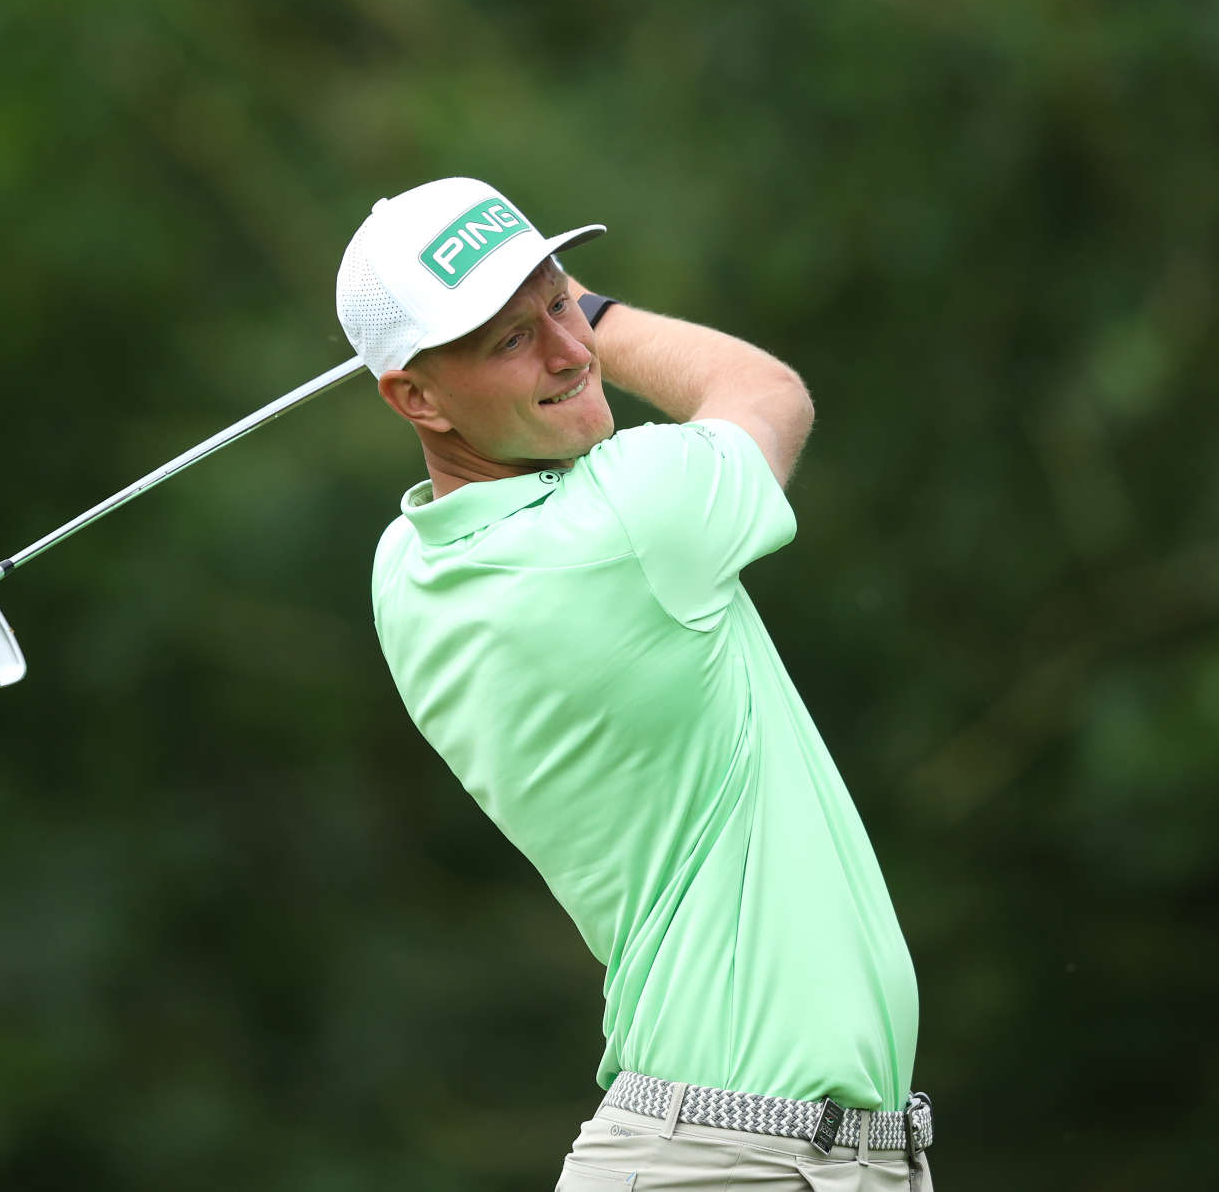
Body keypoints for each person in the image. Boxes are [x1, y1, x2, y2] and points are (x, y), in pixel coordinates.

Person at [338, 177, 933, 1191]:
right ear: (415, 397)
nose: (571, 351)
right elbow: (767, 393)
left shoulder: (409, 570)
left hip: (750, 1154)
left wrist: (529, 324)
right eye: (509, 339)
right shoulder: (624, 523)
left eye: (562, 302)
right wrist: (607, 311)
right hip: (736, 1161)